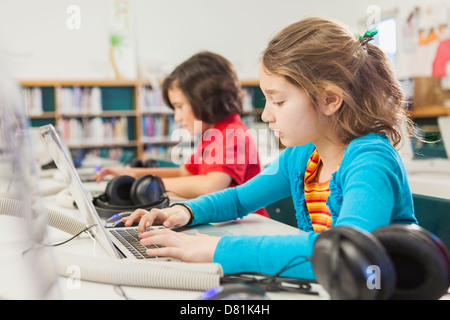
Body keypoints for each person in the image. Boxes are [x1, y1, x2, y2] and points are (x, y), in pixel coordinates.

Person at [122, 17, 417, 279]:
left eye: (279, 101)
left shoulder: (370, 161)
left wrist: (219, 249)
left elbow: (346, 253)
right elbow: (240, 198)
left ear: (330, 100)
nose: (266, 115)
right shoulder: (302, 155)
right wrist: (185, 211)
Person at [93, 51, 268, 217]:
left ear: (205, 99)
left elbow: (212, 185)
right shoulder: (212, 134)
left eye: (179, 106)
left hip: (249, 227)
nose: (177, 117)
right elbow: (185, 174)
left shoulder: (233, 132)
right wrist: (129, 175)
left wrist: (151, 185)